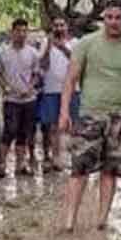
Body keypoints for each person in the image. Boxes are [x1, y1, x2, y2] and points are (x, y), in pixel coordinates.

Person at [59, 0, 121, 232]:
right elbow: (70, 79)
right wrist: (64, 112)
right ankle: (69, 221)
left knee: (110, 170)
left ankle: (101, 220)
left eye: (118, 18)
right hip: (90, 114)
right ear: (103, 19)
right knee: (79, 169)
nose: (113, 22)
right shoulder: (87, 43)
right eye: (109, 17)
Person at [0, 18, 41, 177]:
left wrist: (30, 88)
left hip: (29, 99)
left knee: (24, 132)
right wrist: (5, 87)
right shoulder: (2, 52)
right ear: (12, 32)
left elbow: (36, 74)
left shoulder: (33, 52)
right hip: (11, 99)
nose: (21, 34)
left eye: (24, 31)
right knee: (9, 130)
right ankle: (1, 164)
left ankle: (20, 164)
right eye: (18, 31)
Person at [37, 16, 75, 172]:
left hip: (72, 89)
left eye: (62, 25)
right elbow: (43, 66)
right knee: (52, 126)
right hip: (51, 89)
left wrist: (62, 48)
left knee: (74, 125)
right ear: (52, 28)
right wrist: (48, 47)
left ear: (67, 27)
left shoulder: (75, 43)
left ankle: (75, 158)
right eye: (56, 25)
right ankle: (56, 158)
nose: (59, 28)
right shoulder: (46, 43)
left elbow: (77, 62)